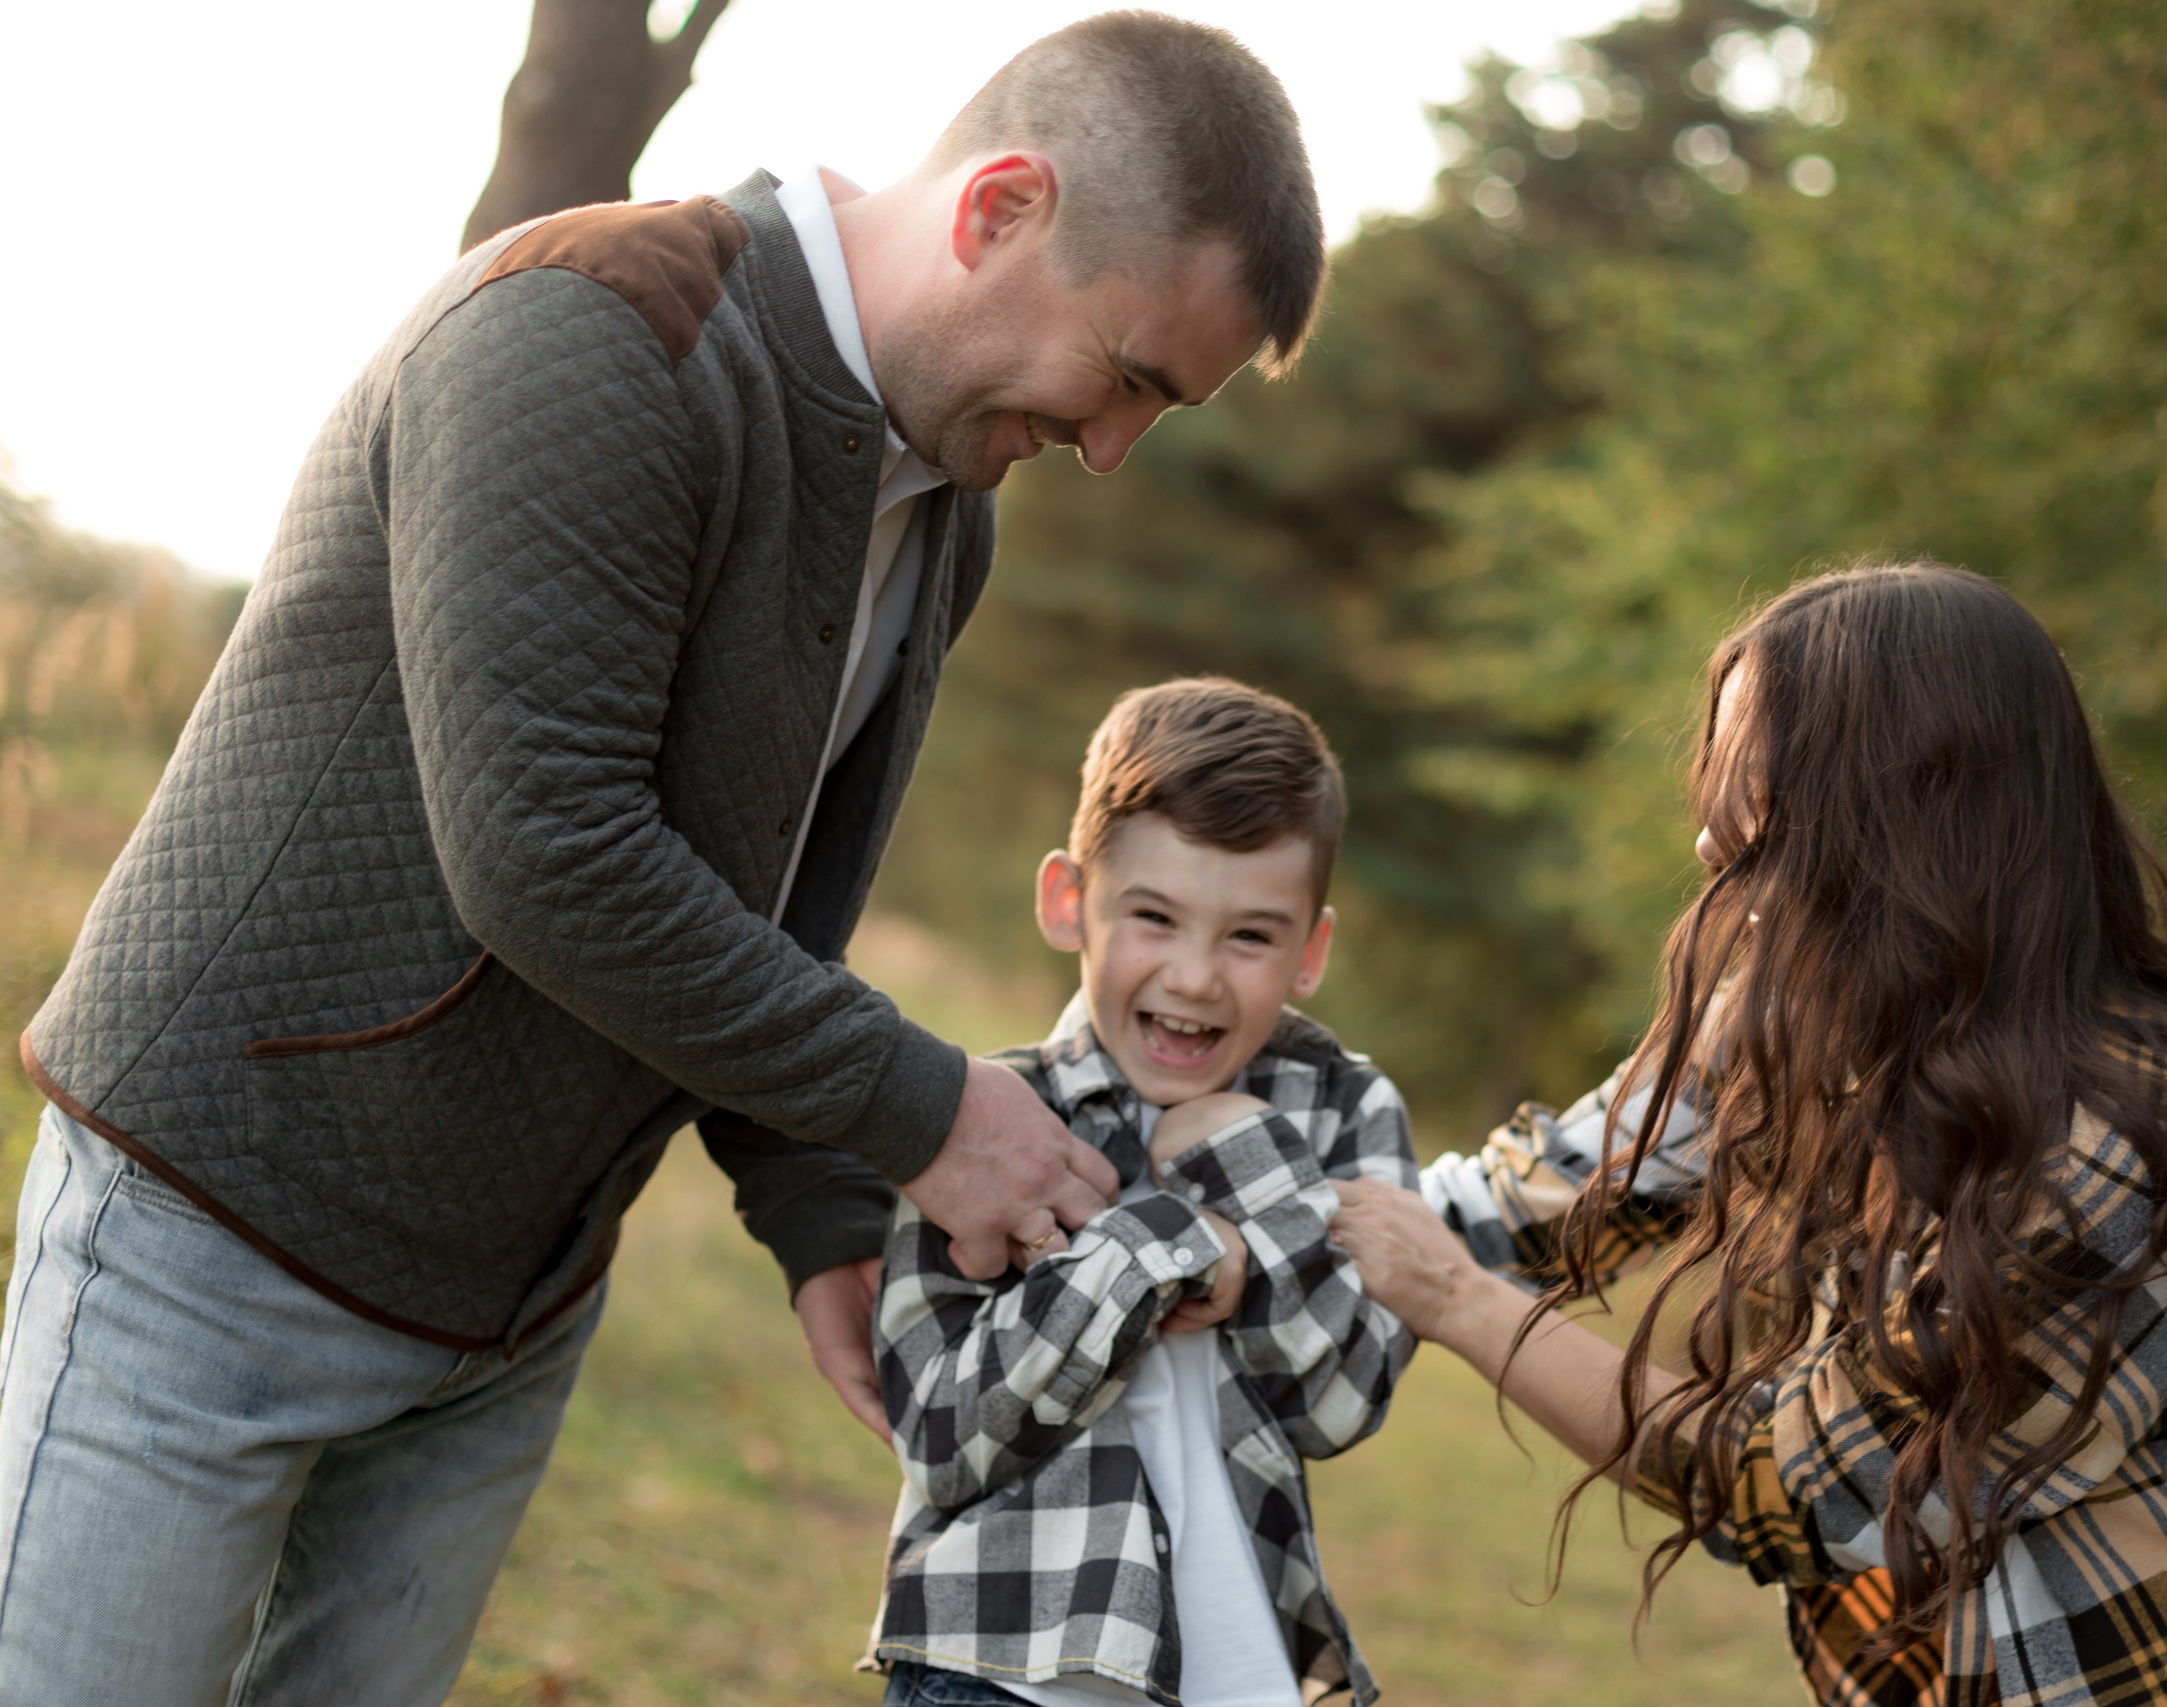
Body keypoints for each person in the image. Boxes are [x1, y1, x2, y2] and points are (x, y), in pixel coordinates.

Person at [0, 15, 1325, 1703]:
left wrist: (821, 1208)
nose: (1116, 443)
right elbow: (547, 853)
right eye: (1130, 373)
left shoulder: (947, 507)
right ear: (1000, 206)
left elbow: (773, 907)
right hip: (211, 1246)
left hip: (510, 1309)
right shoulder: (597, 331)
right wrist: (925, 1109)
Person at [1335, 564, 2167, 1707]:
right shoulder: (1819, 1029)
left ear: (1894, 812)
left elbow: (1804, 1497)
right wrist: (1243, 1188)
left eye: (1754, 783)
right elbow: (1542, 1198)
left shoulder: (2117, 1152)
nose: (1707, 834)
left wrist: (1456, 1299)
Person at [867, 678, 1417, 1707]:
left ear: (1311, 951)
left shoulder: (1343, 1109)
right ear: (1068, 901)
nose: (1198, 978)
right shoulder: (986, 1120)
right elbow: (940, 1441)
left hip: (1241, 1673)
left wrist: (1248, 1161)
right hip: (996, 1671)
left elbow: (1343, 1402)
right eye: (1153, 916)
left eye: (1250, 936)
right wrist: (1170, 1238)